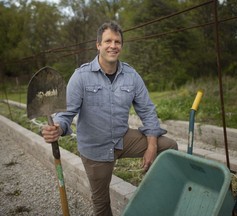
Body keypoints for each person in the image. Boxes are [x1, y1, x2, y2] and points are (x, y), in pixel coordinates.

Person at [41, 21, 178, 216]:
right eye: (108, 41)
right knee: (101, 202)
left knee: (169, 147)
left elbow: (147, 111)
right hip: (95, 149)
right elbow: (65, 114)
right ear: (98, 45)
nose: (113, 46)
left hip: (122, 139)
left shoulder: (131, 75)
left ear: (121, 46)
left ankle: (157, 196)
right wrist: (57, 128)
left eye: (117, 42)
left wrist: (152, 146)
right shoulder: (81, 77)